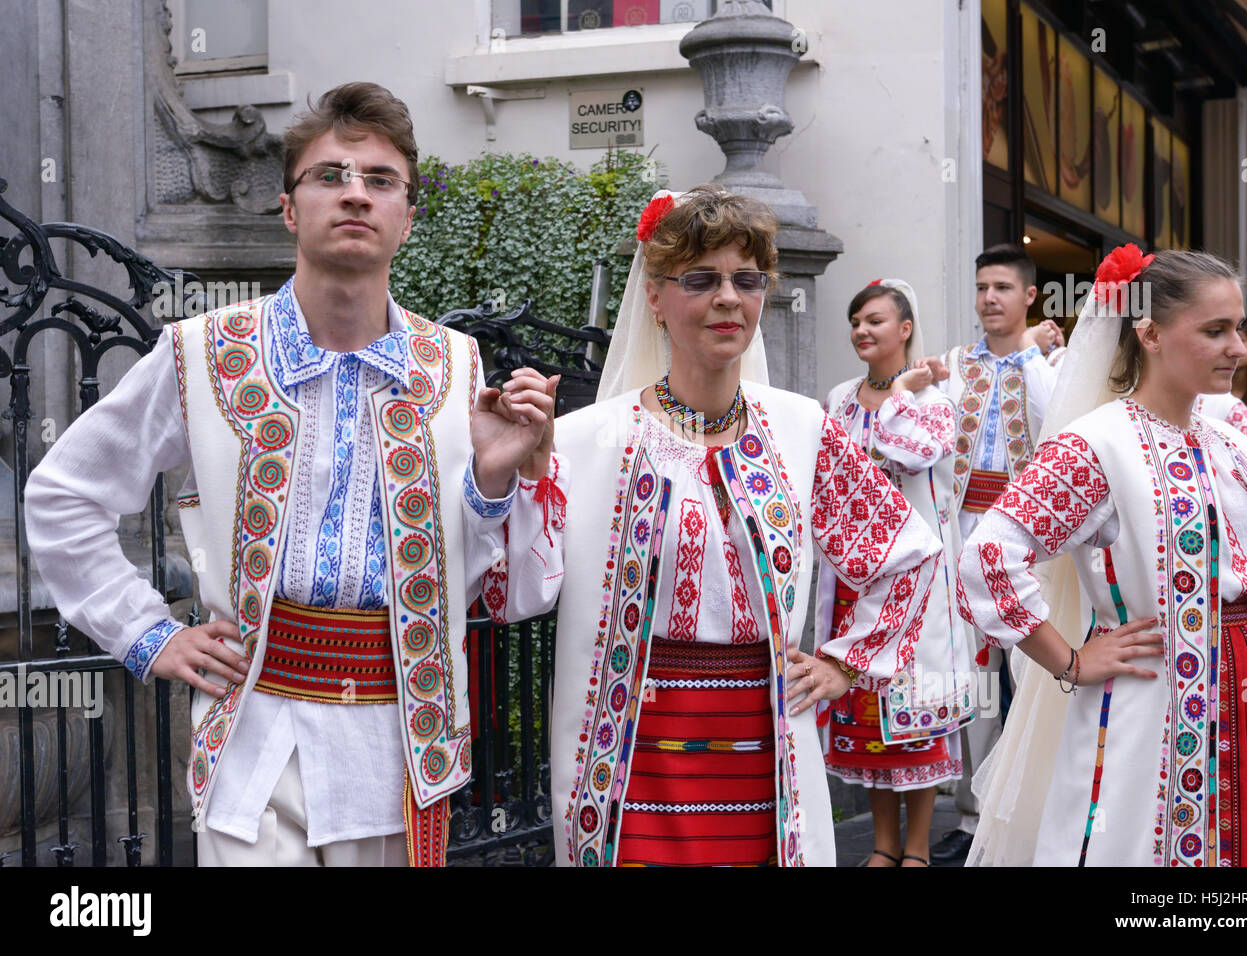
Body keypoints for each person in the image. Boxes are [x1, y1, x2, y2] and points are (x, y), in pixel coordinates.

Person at [24, 82, 558, 866]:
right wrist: (147, 636)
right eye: (330, 175)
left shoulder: (453, 366)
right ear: (287, 207)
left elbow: (472, 580)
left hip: (400, 745)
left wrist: (490, 482)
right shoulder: (203, 353)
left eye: (380, 181)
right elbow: (64, 493)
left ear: (407, 217)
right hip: (254, 739)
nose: (355, 194)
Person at [476, 186, 944, 866]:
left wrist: (847, 661)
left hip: (766, 750)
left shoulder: (801, 429)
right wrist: (525, 473)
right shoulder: (585, 439)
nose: (729, 298)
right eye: (701, 279)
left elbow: (908, 551)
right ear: (657, 300)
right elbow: (514, 595)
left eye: (746, 280)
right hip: (629, 757)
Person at [958, 245, 1247, 866]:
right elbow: (988, 558)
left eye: (1239, 330)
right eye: (1215, 331)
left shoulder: (1232, 439)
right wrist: (1070, 662)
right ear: (1149, 332)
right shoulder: (1098, 444)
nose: (1240, 350)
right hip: (1155, 698)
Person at [817, 279, 977, 867]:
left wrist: (903, 392)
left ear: (905, 329)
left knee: (915, 716)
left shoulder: (934, 398)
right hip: (854, 579)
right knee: (867, 720)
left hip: (914, 583)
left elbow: (912, 454)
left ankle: (915, 850)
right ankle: (883, 845)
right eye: (856, 321)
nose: (862, 330)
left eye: (876, 320)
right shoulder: (839, 397)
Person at [924, 242, 1063, 864]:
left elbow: (1053, 419)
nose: (989, 299)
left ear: (1030, 296)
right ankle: (973, 817)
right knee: (971, 676)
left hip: (1026, 545)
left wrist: (1034, 350)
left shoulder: (1051, 364)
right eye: (982, 287)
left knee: (1030, 673)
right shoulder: (953, 364)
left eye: (1003, 287)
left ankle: (1032, 815)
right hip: (961, 534)